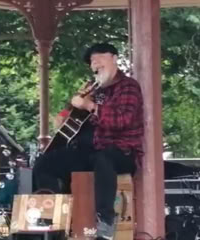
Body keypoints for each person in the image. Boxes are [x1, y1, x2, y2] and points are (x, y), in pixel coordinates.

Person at [33, 43, 144, 240]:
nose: (94, 64)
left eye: (98, 58)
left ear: (114, 58)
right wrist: (64, 114)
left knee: (103, 159)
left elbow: (123, 120)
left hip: (121, 151)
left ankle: (106, 222)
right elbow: (72, 112)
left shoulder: (128, 86)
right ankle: (52, 220)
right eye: (92, 62)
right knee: (45, 162)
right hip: (88, 151)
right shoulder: (92, 88)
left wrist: (90, 106)